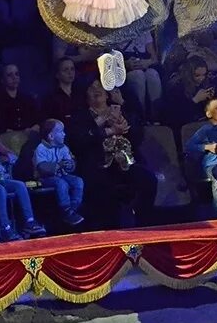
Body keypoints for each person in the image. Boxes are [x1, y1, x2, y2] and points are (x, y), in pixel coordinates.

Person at [67, 79, 156, 228]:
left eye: (100, 86)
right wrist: (106, 129)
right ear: (85, 94)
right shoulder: (80, 117)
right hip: (98, 164)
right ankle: (109, 229)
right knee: (102, 186)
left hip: (125, 161)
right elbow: (78, 141)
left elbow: (138, 137)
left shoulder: (119, 110)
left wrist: (125, 125)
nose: (97, 89)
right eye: (92, 87)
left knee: (148, 179)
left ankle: (144, 223)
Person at [0, 110, 46, 241]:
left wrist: (3, 159)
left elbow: (13, 157)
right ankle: (5, 228)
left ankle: (29, 222)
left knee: (19, 185)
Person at [33, 119, 84, 226]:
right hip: (45, 178)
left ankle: (73, 208)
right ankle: (65, 209)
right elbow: (42, 167)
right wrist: (59, 165)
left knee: (78, 181)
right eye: (61, 132)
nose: (64, 134)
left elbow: (70, 162)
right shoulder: (41, 148)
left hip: (62, 175)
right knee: (61, 183)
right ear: (51, 136)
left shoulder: (64, 148)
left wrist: (70, 165)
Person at [116, 31, 163, 122]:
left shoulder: (144, 32)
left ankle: (156, 116)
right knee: (138, 76)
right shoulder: (115, 34)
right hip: (125, 70)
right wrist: (125, 64)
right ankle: (141, 116)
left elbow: (154, 59)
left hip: (145, 66)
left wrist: (147, 62)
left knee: (153, 75)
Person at [0, 63, 41, 135]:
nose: (14, 77)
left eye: (16, 74)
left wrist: (34, 128)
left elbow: (38, 119)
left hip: (28, 137)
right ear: (2, 79)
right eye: (9, 75)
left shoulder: (28, 99)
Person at [41, 57, 82, 125]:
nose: (70, 72)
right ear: (57, 74)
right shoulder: (51, 97)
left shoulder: (80, 94)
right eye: (65, 70)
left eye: (72, 69)